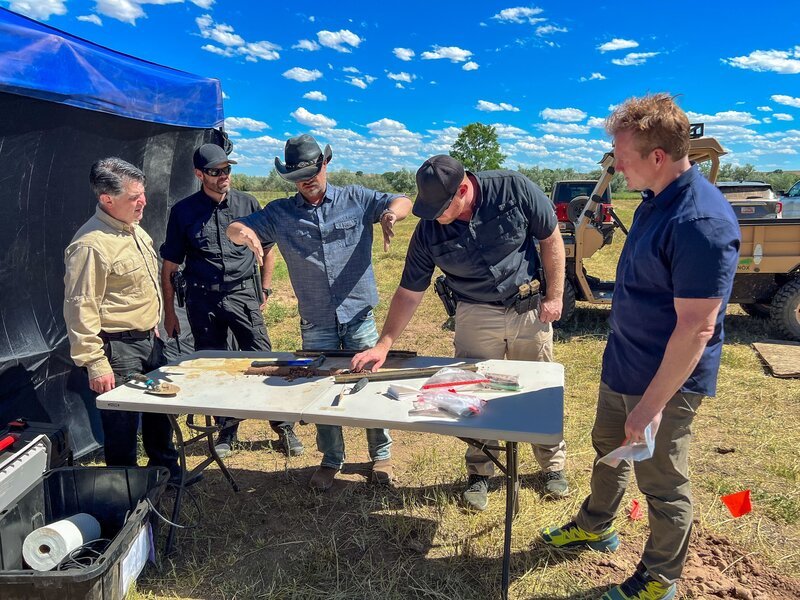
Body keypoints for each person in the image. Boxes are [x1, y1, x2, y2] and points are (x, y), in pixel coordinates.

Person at [541, 94, 740, 600]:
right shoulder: (655, 199)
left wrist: (651, 408)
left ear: (657, 156)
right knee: (609, 449)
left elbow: (696, 328)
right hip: (625, 363)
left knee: (662, 480)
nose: (617, 168)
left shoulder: (700, 222)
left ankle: (660, 578)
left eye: (622, 158)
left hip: (665, 381)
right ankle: (597, 524)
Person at [351, 154, 570, 511]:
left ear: (464, 189)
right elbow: (409, 291)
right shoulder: (429, 231)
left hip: (529, 308)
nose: (434, 216)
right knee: (474, 396)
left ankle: (552, 466)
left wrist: (555, 296)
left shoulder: (513, 188)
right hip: (474, 313)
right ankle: (481, 471)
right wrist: (384, 344)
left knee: (538, 391)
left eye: (440, 207)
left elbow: (550, 238)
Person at [226, 134, 413, 491]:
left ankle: (381, 454)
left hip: (359, 316)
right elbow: (235, 227)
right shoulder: (280, 213)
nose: (306, 182)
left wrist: (391, 214)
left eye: (311, 173)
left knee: (370, 384)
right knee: (321, 389)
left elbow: (400, 200)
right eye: (298, 177)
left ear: (325, 164)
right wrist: (244, 234)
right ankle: (331, 459)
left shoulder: (356, 198)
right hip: (316, 322)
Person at [160, 143, 303, 459]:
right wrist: (169, 313)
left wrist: (263, 290)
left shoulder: (247, 203)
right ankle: (227, 429)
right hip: (202, 302)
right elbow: (169, 266)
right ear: (200, 174)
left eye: (227, 169)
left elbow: (267, 250)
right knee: (218, 368)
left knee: (266, 360)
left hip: (242, 296)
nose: (224, 176)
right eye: (215, 172)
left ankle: (283, 426)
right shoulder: (182, 212)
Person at [64, 157, 179, 478]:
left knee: (160, 413)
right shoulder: (90, 245)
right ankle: (125, 492)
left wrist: (152, 325)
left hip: (148, 342)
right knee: (122, 428)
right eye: (134, 197)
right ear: (107, 199)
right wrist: (95, 362)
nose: (143, 202)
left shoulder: (135, 231)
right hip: (117, 352)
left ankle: (165, 474)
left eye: (142, 193)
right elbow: (79, 307)